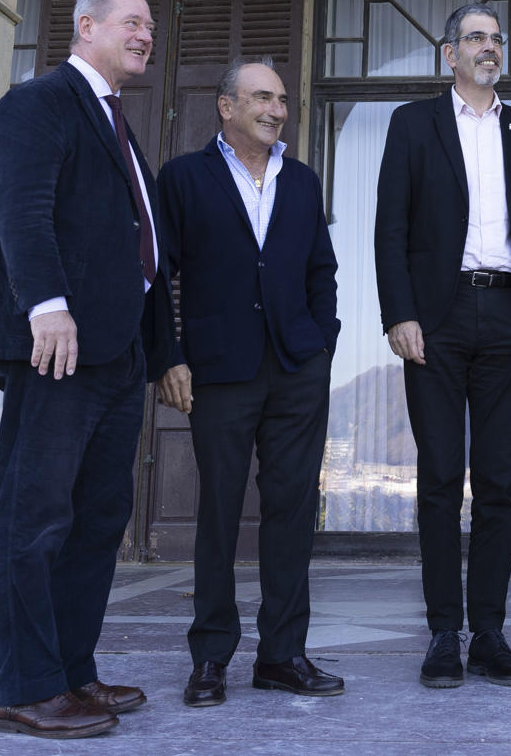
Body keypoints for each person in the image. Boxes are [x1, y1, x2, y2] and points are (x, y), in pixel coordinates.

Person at [0, 0, 182, 739]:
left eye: (150, 24)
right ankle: (24, 688)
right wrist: (46, 305)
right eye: (132, 20)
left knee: (97, 518)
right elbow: (19, 212)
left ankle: (70, 671)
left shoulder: (118, 123)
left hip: (116, 358)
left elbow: (142, 253)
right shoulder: (37, 103)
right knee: (33, 520)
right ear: (86, 25)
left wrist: (158, 354)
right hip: (54, 348)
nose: (145, 34)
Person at [373, 3, 511, 688]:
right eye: (476, 37)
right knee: (441, 476)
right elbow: (389, 226)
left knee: (500, 484)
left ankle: (489, 631)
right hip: (437, 317)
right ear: (448, 54)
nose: (489, 47)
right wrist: (400, 313)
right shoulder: (412, 124)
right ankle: (443, 633)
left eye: (496, 38)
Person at [158, 59, 342, 708]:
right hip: (219, 369)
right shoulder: (183, 178)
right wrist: (169, 356)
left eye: (283, 99)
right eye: (263, 96)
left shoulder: (301, 180)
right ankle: (210, 656)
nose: (277, 108)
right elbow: (158, 276)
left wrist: (323, 344)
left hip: (296, 368)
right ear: (226, 105)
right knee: (218, 513)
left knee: (293, 513)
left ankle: (282, 654)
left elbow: (322, 270)